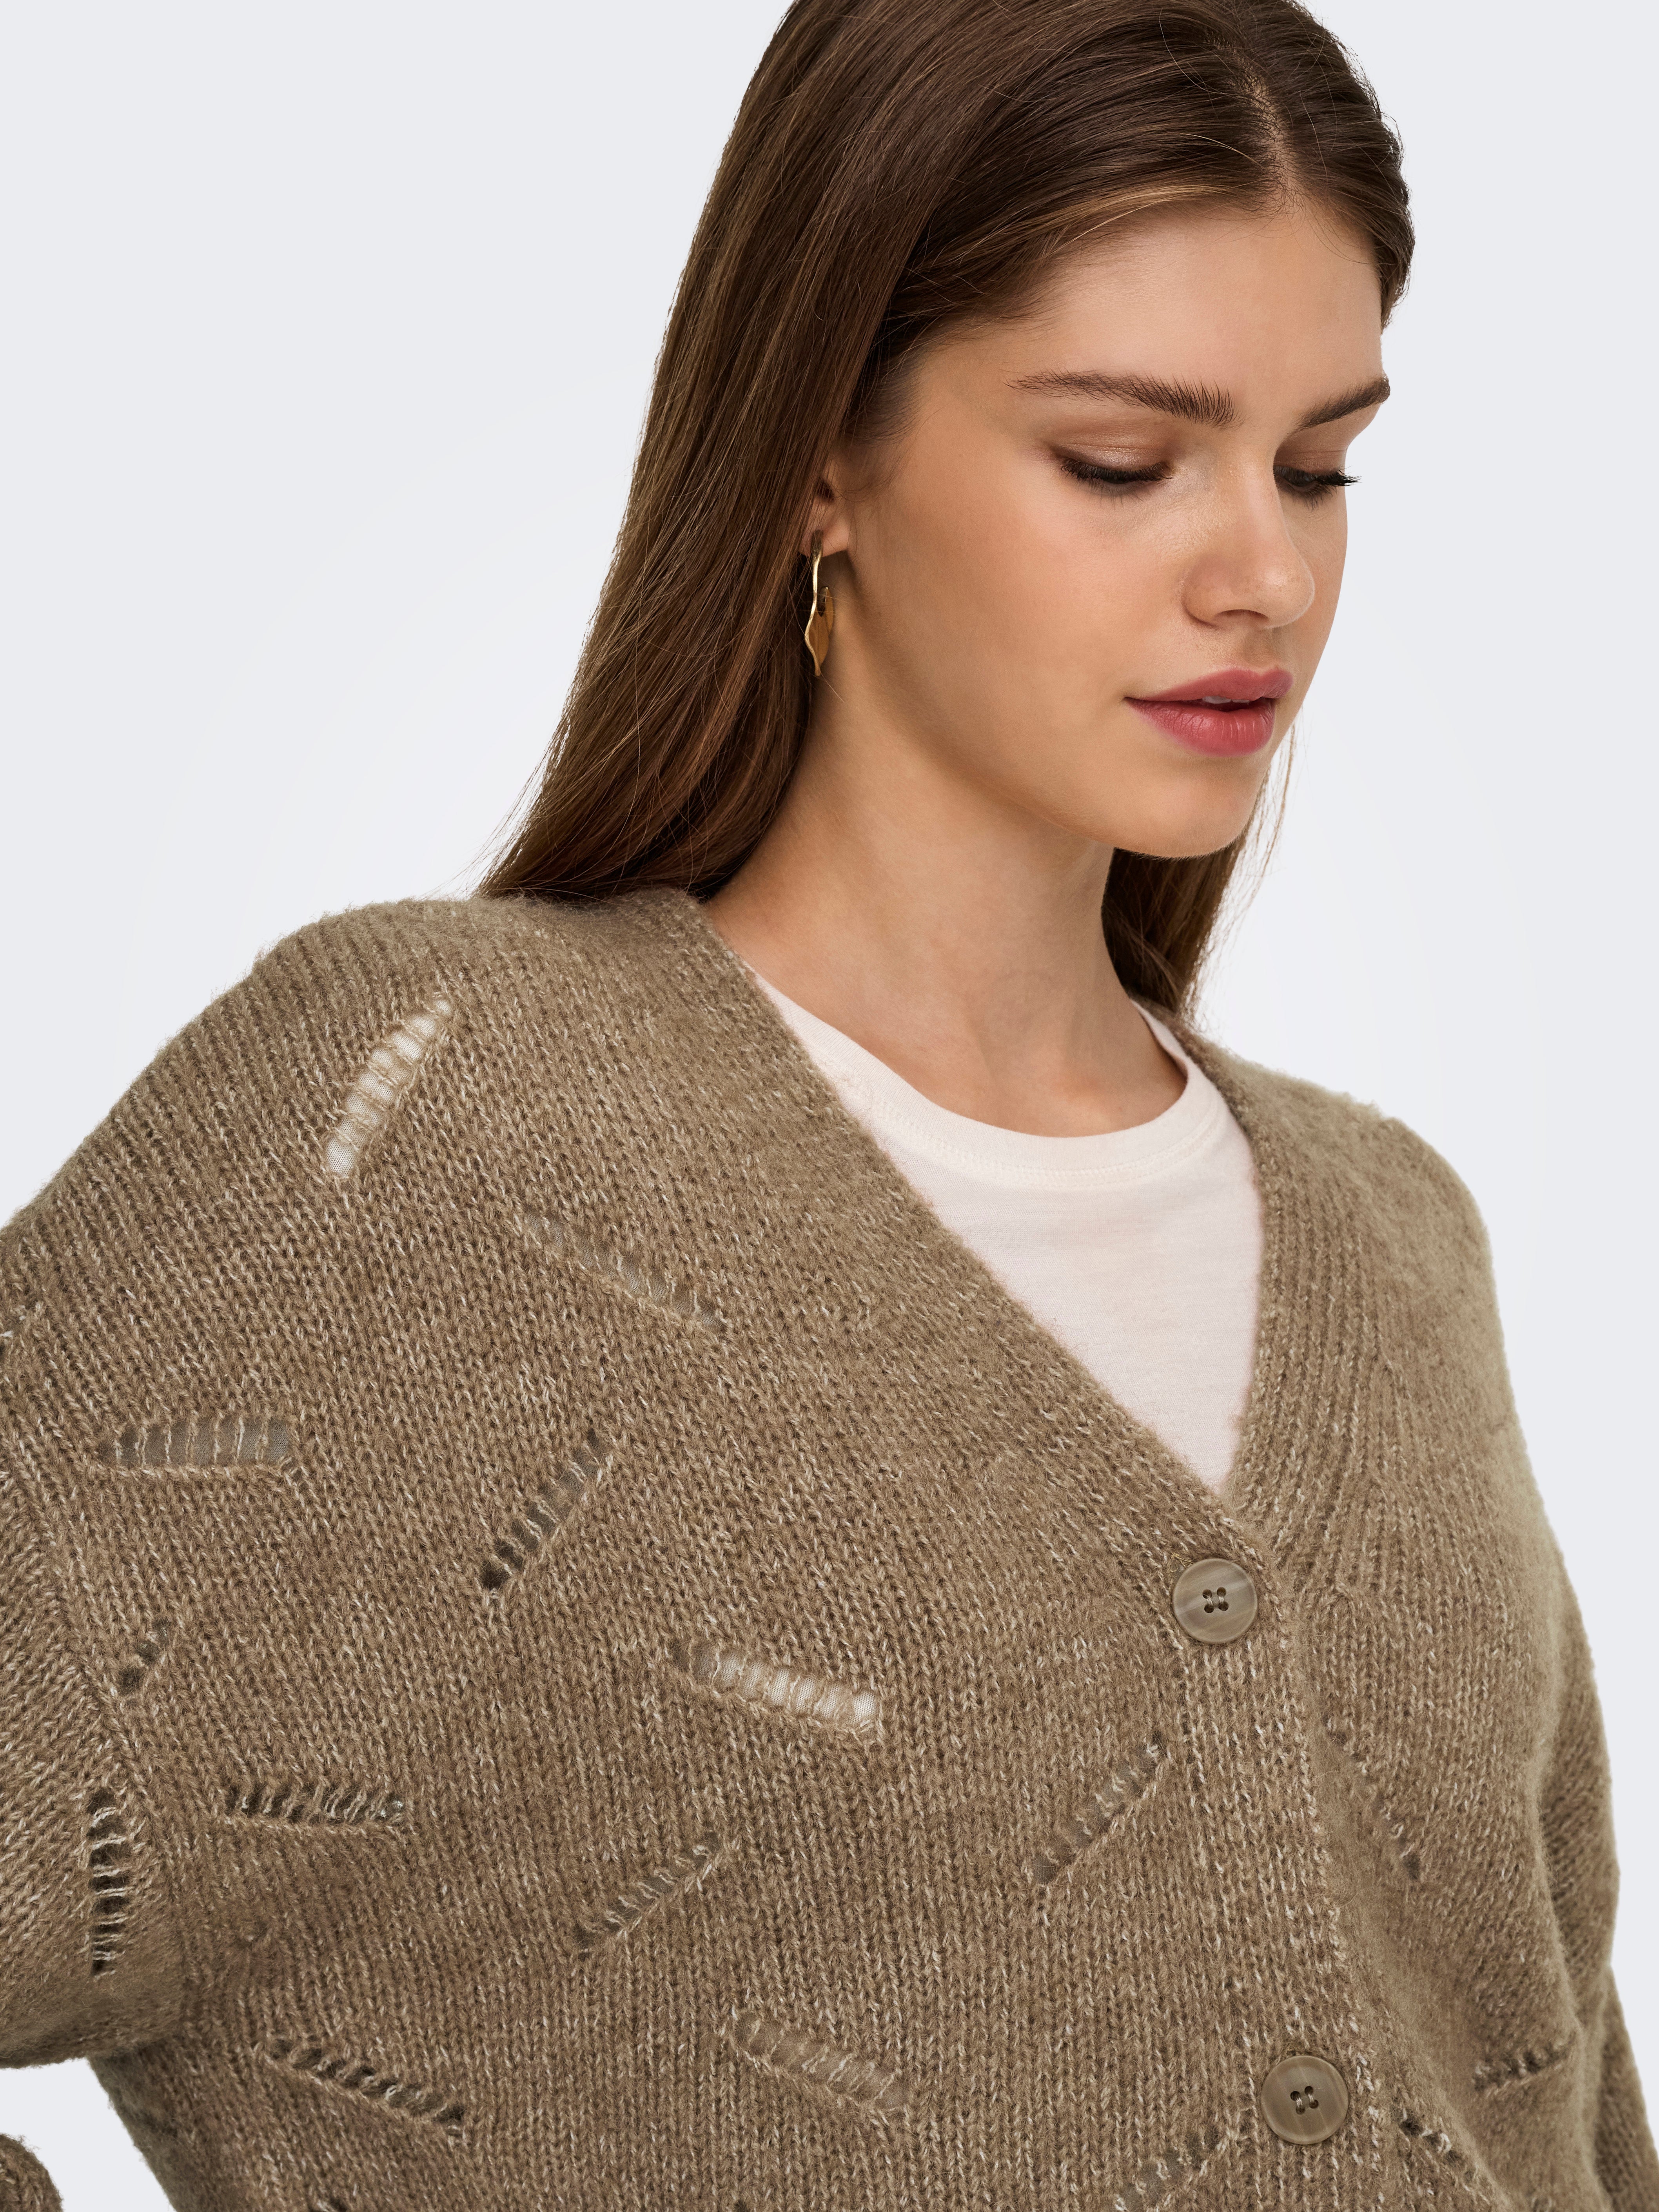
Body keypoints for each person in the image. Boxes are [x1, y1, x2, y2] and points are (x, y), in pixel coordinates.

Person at [1, 0, 1653, 2205]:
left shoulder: (1392, 1233)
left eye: (1317, 465)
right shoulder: (436, 1135)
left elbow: (1563, 2104)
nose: (1261, 571)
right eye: (1120, 459)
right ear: (817, 459)